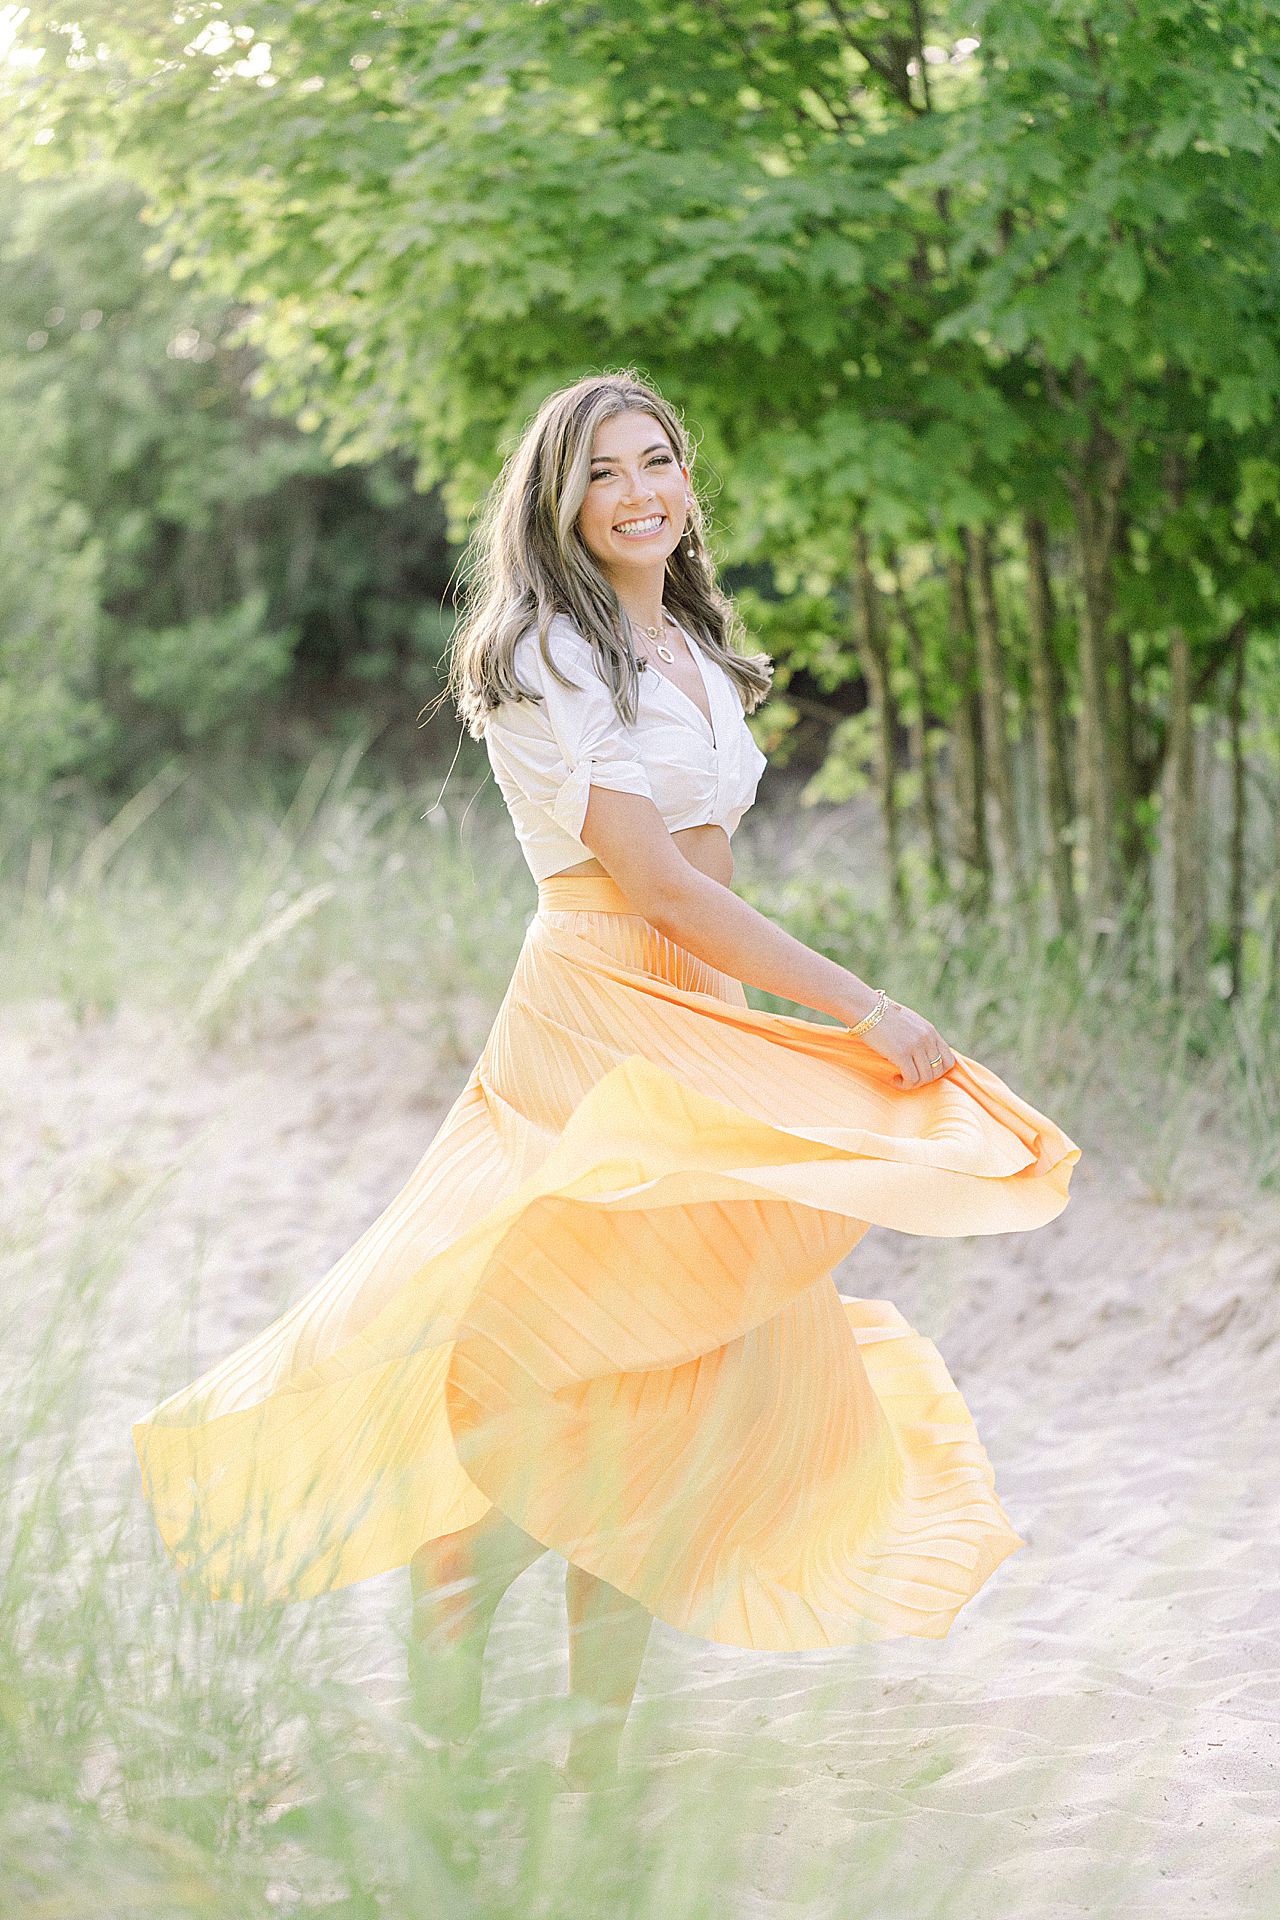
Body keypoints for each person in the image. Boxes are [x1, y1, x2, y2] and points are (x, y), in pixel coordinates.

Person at [132, 369, 1080, 1797]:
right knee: (594, 1350)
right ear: (557, 503)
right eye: (602, 473)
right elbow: (652, 885)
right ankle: (454, 1661)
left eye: (658, 461)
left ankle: (593, 1760)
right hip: (597, 1004)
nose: (639, 492)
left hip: (696, 1008)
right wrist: (863, 1008)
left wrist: (760, 1035)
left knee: (680, 1386)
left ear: (687, 481)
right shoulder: (546, 652)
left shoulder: (690, 642)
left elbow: (714, 878)